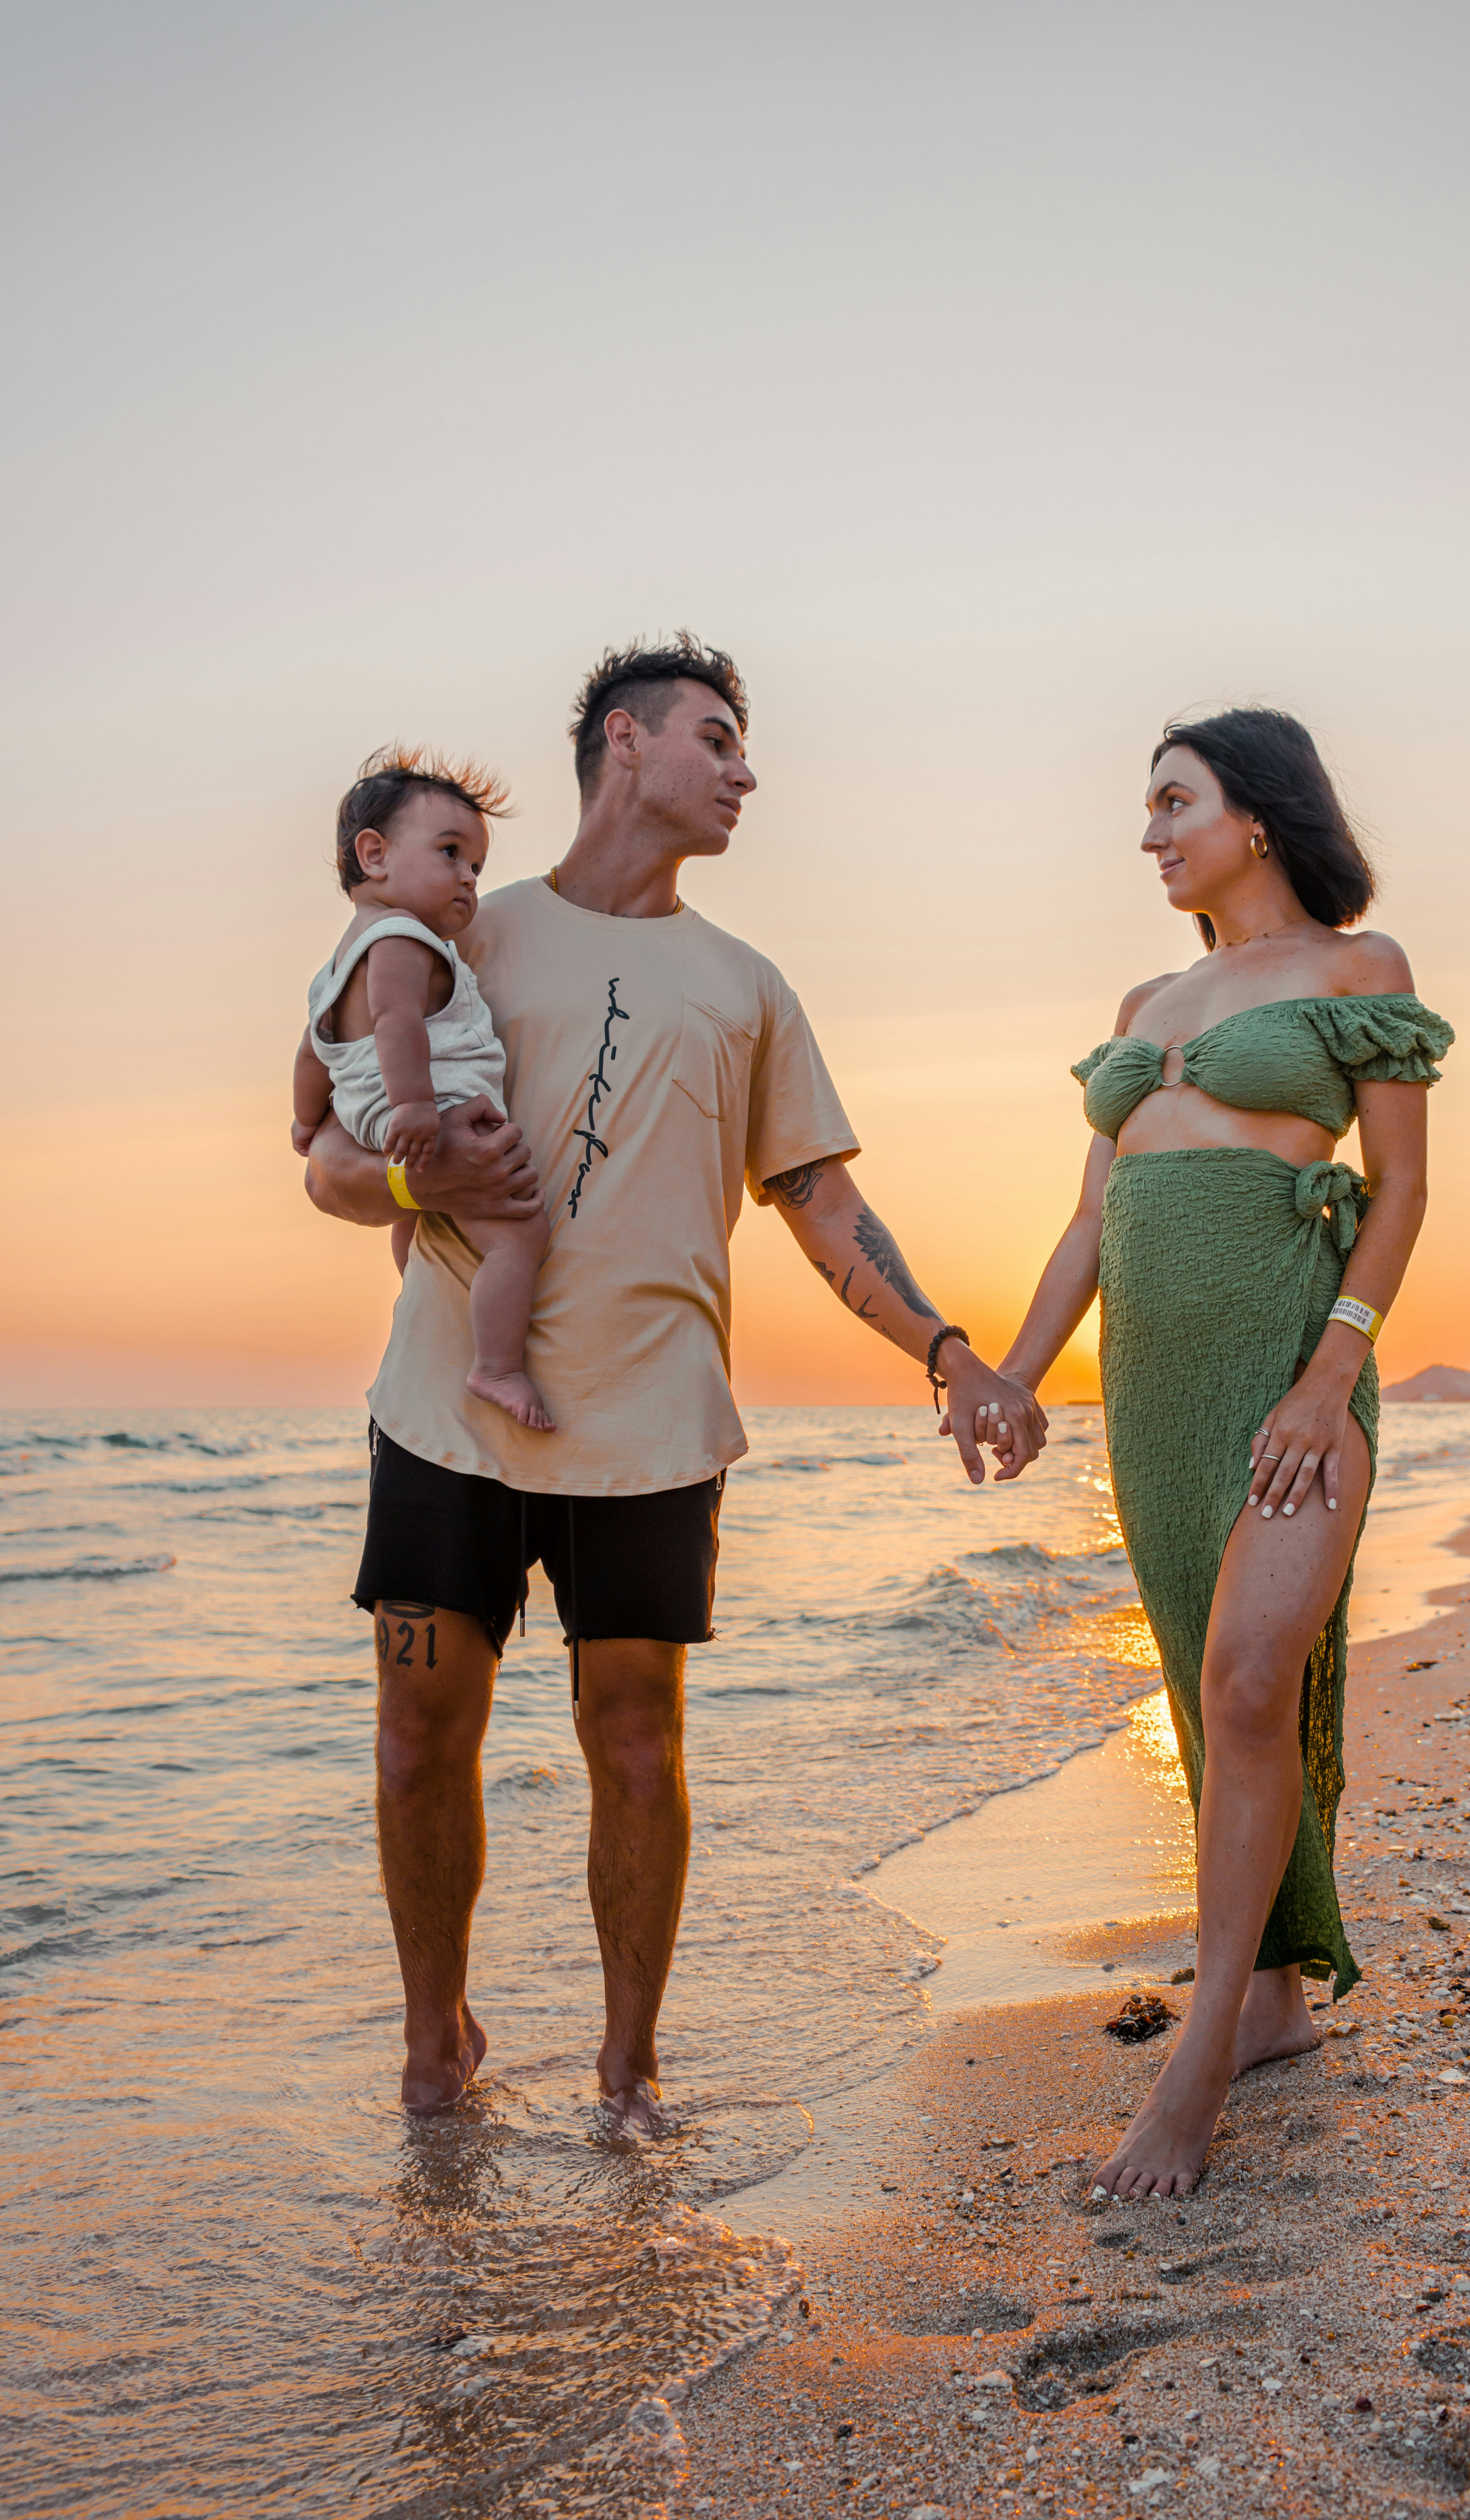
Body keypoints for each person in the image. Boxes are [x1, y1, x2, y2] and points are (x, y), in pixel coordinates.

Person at [299, 633, 1046, 2120]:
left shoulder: (746, 983)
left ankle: (629, 2066)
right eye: (720, 737)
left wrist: (952, 1355)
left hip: (651, 1428)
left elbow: (825, 1208)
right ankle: (433, 2038)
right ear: (626, 748)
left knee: (637, 1747)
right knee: (412, 1738)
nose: (747, 770)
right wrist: (411, 1177)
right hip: (447, 1405)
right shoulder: (460, 927)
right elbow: (322, 1157)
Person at [998, 707, 1451, 2199]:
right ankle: (1267, 2002)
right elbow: (1089, 1217)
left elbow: (1397, 1195)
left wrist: (1335, 1374)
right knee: (1210, 1687)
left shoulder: (1354, 972)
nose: (1149, 832)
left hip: (1283, 1365)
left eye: (1172, 801)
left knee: (1256, 1674)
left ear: (1256, 814)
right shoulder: (1146, 994)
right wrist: (1013, 1371)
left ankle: (1200, 2057)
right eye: (1145, 807)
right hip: (1149, 1385)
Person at [294, 746, 556, 1432]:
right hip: (434, 1115)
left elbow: (312, 1050)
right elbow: (397, 1021)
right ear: (375, 855)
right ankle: (495, 1365)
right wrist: (414, 1108)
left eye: (477, 866)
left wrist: (303, 1122)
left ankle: (418, 1283)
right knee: (518, 1237)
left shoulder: (333, 968)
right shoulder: (405, 941)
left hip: (373, 1122)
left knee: (416, 1217)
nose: (468, 878)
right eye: (450, 853)